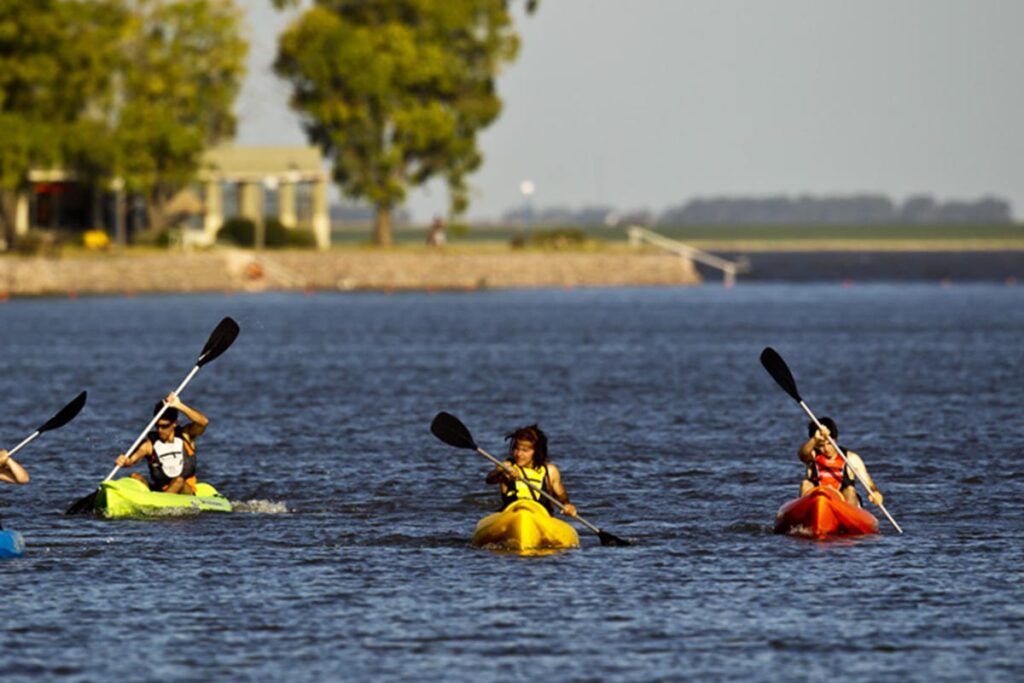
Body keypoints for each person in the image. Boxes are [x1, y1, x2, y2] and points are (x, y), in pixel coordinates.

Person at [115, 393, 208, 495]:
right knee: (134, 476)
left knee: (178, 481)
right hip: (159, 492)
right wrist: (124, 461)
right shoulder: (149, 445)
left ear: (174, 423)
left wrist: (179, 405)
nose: (160, 430)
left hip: (186, 491)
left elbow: (203, 422)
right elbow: (132, 460)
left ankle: (160, 503)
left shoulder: (186, 435)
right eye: (157, 426)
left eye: (164, 426)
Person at [484, 424, 577, 517]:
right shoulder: (507, 466)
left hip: (541, 517)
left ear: (537, 451)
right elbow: (490, 480)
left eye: (525, 450)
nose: (519, 454)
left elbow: (561, 495)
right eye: (516, 448)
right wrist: (502, 472)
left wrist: (566, 505)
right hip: (512, 515)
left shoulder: (550, 471)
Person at [799, 417, 883, 508]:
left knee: (850, 490)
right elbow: (802, 454)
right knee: (806, 484)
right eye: (821, 445)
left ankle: (850, 517)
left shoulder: (851, 458)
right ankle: (806, 515)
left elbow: (869, 484)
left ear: (835, 439)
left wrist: (875, 492)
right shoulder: (812, 456)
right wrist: (815, 439)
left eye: (829, 443)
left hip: (844, 502)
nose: (826, 449)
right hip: (819, 503)